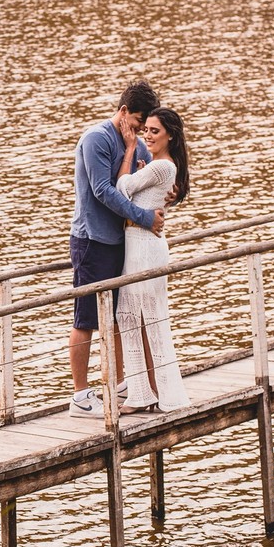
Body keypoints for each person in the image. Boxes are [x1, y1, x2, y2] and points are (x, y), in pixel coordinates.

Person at [69, 81, 166, 415]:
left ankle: (121, 383)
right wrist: (144, 216)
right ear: (124, 112)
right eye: (138, 123)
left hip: (120, 242)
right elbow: (103, 191)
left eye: (144, 127)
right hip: (92, 240)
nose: (140, 132)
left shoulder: (135, 146)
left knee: (117, 317)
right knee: (86, 319)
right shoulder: (96, 139)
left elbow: (137, 185)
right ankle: (80, 396)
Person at [113, 106, 191, 413]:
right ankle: (142, 393)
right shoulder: (159, 167)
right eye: (146, 130)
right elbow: (136, 191)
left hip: (145, 246)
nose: (148, 135)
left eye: (155, 131)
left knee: (146, 318)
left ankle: (158, 393)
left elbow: (123, 188)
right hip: (137, 243)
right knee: (129, 316)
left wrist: (130, 149)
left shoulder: (161, 167)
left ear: (170, 136)